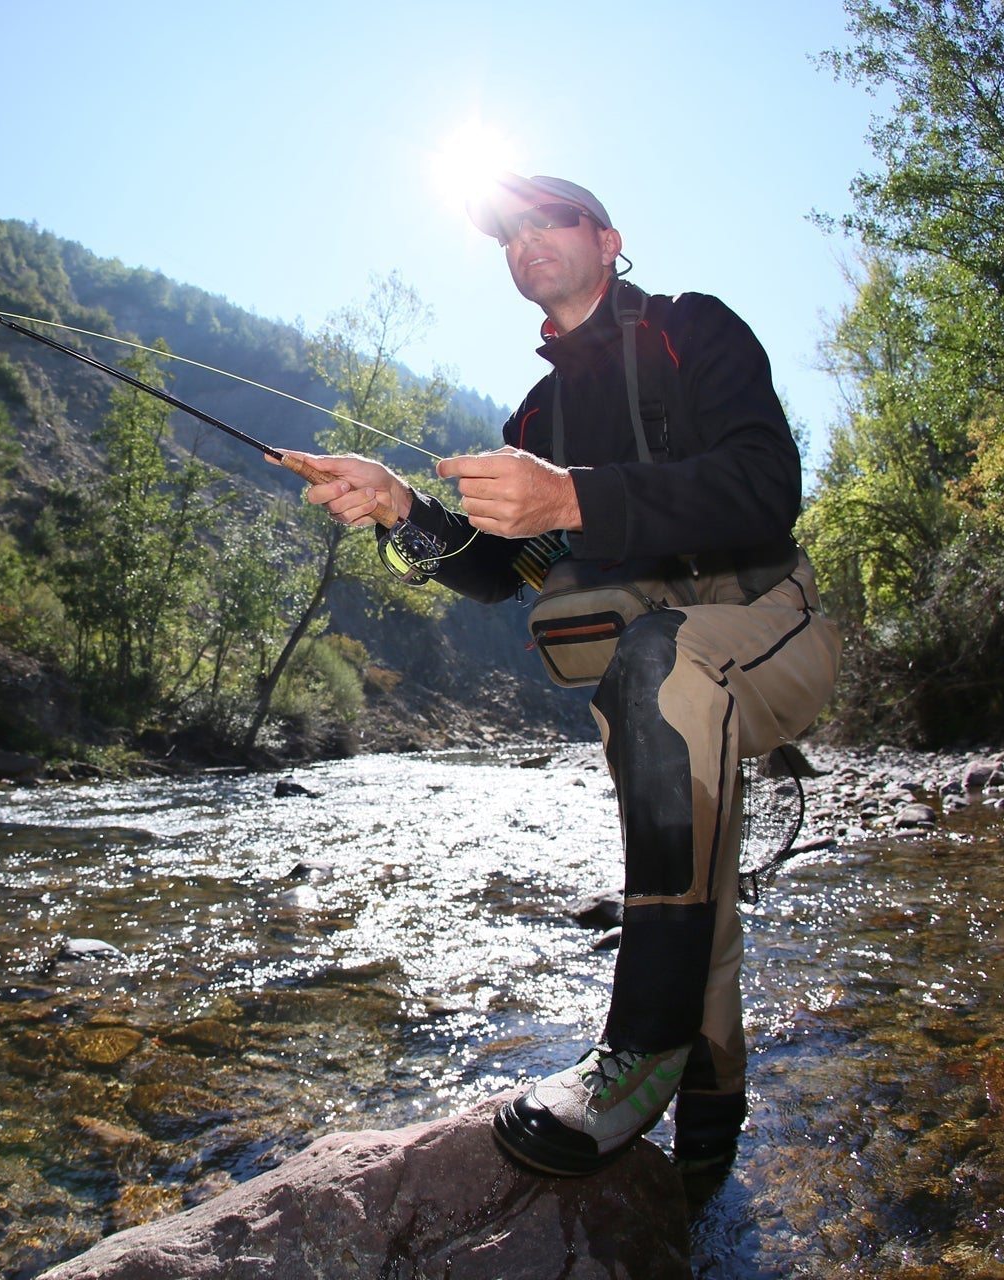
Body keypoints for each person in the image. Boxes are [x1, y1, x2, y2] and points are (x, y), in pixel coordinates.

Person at [283, 173, 839, 1176]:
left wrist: (577, 498)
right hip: (657, 685)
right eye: (509, 233)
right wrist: (401, 506)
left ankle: (631, 1052)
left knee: (656, 656)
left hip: (768, 621)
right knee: (689, 885)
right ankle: (707, 1151)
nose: (526, 240)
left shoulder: (693, 330)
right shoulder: (533, 416)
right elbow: (498, 573)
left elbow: (766, 487)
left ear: (608, 238)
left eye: (551, 221)